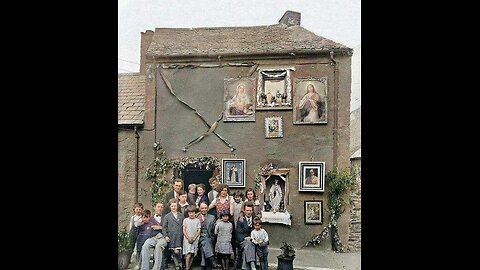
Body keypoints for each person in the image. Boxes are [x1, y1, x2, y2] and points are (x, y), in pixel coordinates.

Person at [140, 202, 168, 270]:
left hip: (163, 237)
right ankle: (144, 268)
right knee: (145, 246)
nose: (160, 208)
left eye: (161, 207)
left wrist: (160, 227)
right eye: (158, 207)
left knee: (158, 247)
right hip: (153, 237)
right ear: (154, 208)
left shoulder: (167, 217)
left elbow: (170, 228)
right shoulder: (150, 217)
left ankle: (156, 268)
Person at [164, 198, 185, 270]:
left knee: (178, 250)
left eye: (175, 206)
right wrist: (166, 236)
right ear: (170, 206)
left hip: (179, 235)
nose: (173, 207)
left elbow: (184, 225)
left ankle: (179, 263)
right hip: (171, 236)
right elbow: (164, 227)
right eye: (172, 206)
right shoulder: (167, 216)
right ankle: (177, 264)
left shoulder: (181, 215)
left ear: (177, 206)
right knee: (174, 250)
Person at [235, 203, 256, 270]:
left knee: (248, 245)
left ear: (252, 211)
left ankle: (245, 267)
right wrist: (246, 238)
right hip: (242, 241)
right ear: (244, 211)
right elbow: (238, 234)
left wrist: (251, 238)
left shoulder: (255, 219)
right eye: (247, 210)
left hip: (253, 240)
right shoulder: (241, 220)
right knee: (248, 243)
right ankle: (252, 265)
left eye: (250, 210)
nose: (248, 212)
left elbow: (258, 230)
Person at [197, 202, 217, 270]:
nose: (204, 209)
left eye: (205, 208)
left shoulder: (212, 217)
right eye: (202, 208)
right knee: (204, 241)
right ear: (199, 209)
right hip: (199, 237)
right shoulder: (196, 217)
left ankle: (203, 264)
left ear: (208, 208)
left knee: (204, 245)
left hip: (209, 237)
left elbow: (214, 230)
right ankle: (211, 259)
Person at [183, 205, 201, 270]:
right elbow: (184, 230)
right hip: (187, 239)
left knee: (193, 254)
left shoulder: (197, 220)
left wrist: (193, 238)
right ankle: (187, 267)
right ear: (188, 213)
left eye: (193, 212)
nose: (191, 214)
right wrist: (188, 238)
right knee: (188, 253)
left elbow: (198, 230)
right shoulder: (185, 220)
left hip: (194, 239)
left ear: (195, 213)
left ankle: (189, 267)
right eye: (190, 213)